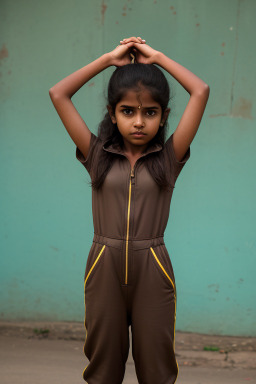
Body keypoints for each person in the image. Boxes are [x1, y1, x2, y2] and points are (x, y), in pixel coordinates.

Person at [49, 36, 210, 384]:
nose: (139, 122)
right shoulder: (97, 156)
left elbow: (201, 91)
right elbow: (58, 94)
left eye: (150, 112)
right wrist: (108, 59)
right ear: (112, 113)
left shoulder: (168, 158)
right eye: (128, 111)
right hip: (102, 264)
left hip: (153, 267)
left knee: (157, 368)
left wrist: (159, 58)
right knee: (103, 366)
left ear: (163, 116)